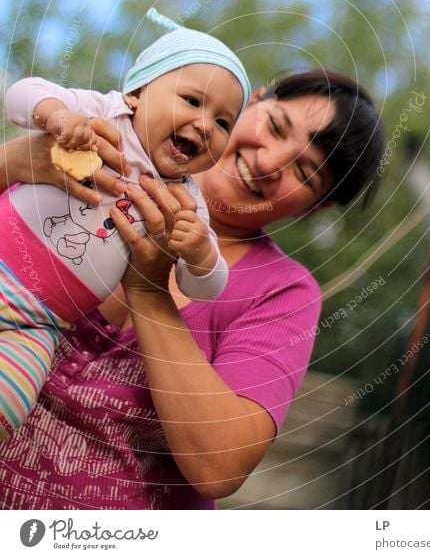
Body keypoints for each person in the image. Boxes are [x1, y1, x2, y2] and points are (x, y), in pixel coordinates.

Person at [0, 69, 384, 509]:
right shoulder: (96, 148)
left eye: (304, 171)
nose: (267, 162)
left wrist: (149, 293)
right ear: (252, 100)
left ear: (317, 206)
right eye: (275, 126)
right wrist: (11, 163)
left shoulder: (283, 291)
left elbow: (220, 466)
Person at [0, 8, 251, 440]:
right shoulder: (102, 113)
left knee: (9, 407)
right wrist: (57, 116)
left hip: (39, 325)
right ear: (137, 92)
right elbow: (21, 94)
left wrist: (199, 253)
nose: (206, 125)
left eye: (224, 122)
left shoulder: (186, 199)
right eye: (192, 101)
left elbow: (204, 286)